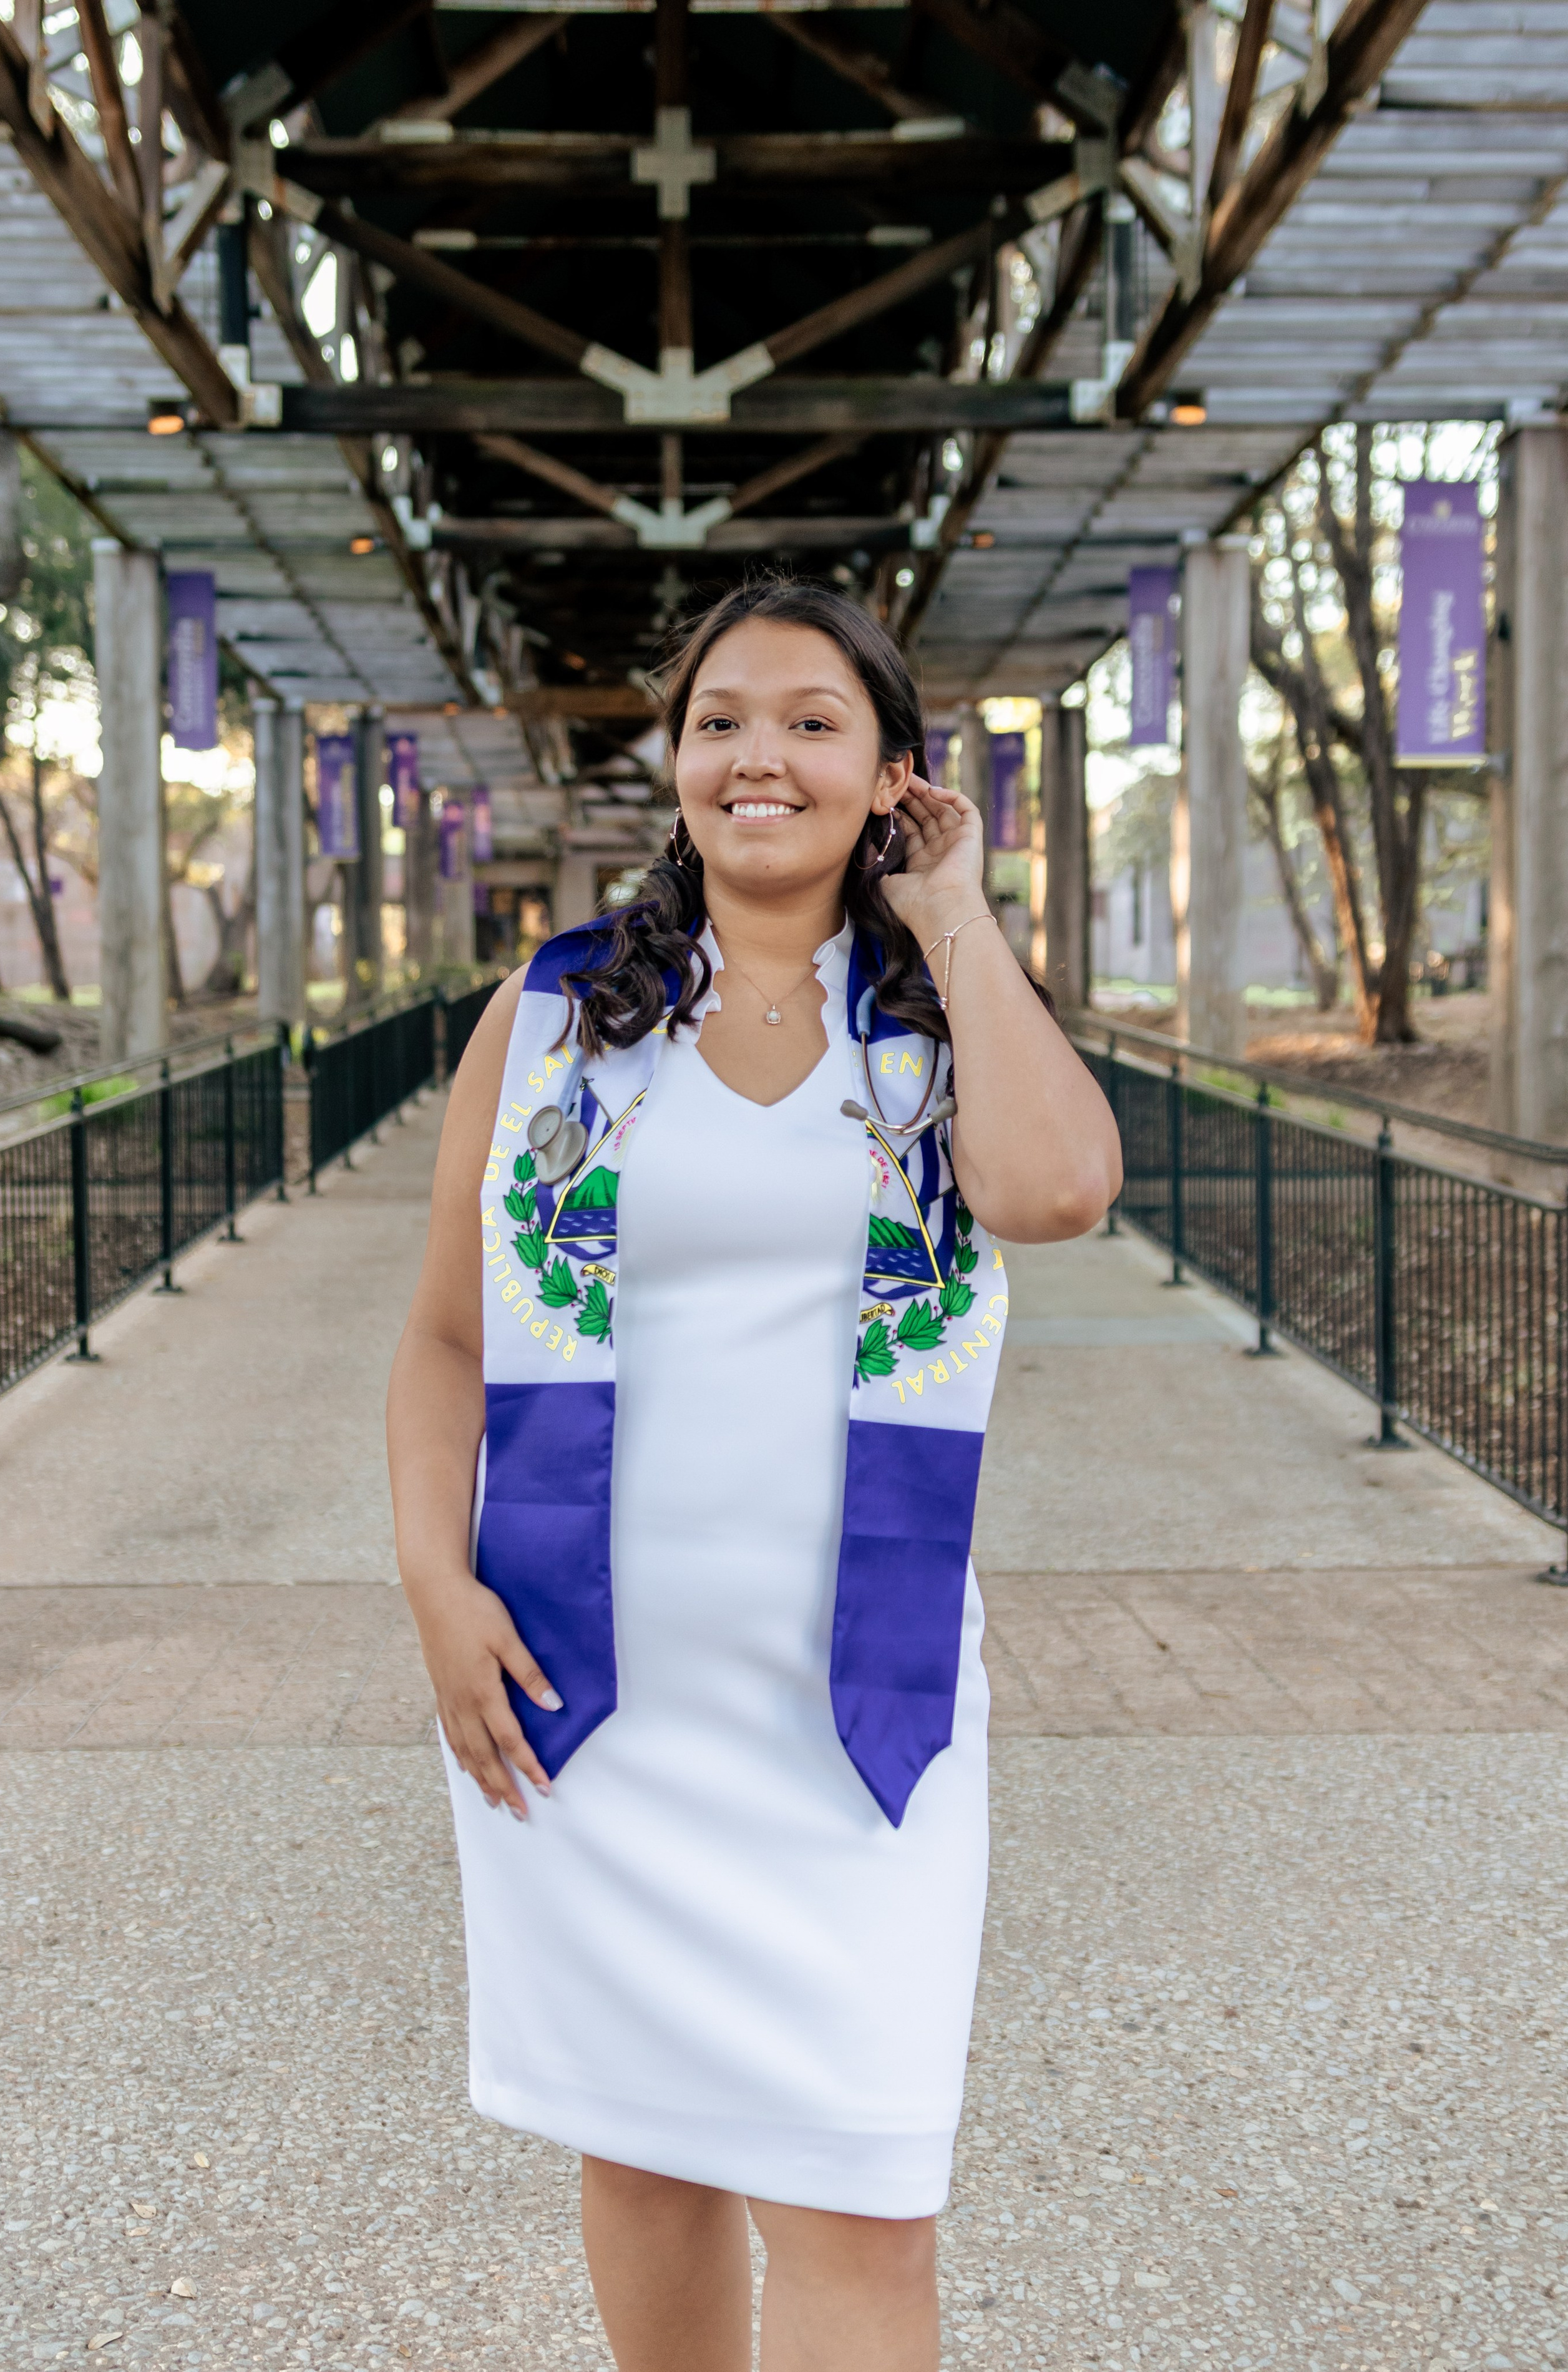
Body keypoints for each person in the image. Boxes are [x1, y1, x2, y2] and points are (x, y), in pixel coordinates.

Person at [386, 578, 1121, 2372]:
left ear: (893, 773)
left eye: (813, 720)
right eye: (722, 719)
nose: (759, 755)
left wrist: (953, 912)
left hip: (857, 1712)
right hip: (597, 1700)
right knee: (644, 2162)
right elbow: (445, 1341)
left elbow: (1058, 1192)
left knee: (868, 2200)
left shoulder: (942, 1013)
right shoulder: (553, 1019)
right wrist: (433, 1581)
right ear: (677, 759)